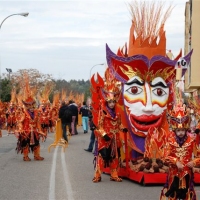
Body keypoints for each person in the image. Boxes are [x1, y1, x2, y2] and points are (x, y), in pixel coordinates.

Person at [160, 100, 200, 200]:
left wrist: (194, 162)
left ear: (186, 129)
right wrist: (175, 161)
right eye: (178, 130)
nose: (181, 132)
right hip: (174, 173)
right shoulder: (170, 140)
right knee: (173, 194)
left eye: (182, 130)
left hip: (187, 173)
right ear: (174, 129)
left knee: (187, 195)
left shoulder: (191, 140)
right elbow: (164, 156)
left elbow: (198, 156)